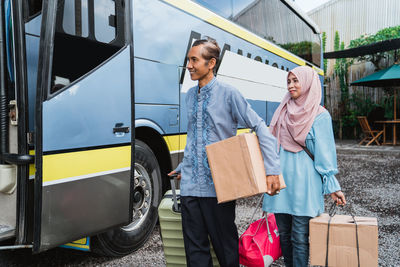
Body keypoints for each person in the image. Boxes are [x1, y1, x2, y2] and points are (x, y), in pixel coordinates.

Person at [168, 38, 281, 267]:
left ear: (211, 63)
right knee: (195, 251)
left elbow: (260, 126)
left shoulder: (229, 94)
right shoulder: (189, 96)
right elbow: (194, 137)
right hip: (190, 186)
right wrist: (183, 167)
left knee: (225, 248)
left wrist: (272, 170)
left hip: (219, 187)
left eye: (194, 60)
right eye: (188, 60)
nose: (189, 65)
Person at [262, 66, 346, 267]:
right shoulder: (283, 110)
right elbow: (272, 145)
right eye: (288, 81)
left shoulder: (320, 115)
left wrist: (333, 187)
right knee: (283, 234)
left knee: (299, 237)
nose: (291, 85)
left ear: (308, 83)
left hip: (305, 183)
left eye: (296, 81)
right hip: (281, 181)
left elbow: (325, 155)